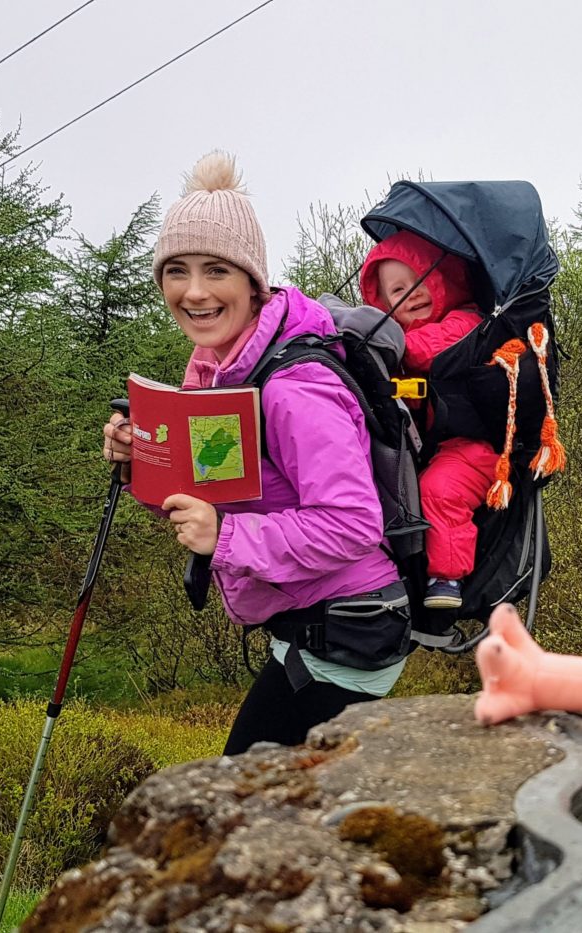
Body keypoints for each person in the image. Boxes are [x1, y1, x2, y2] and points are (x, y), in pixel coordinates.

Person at [102, 151, 407, 754]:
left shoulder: (294, 388)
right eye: (176, 271)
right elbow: (210, 502)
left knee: (246, 809)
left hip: (346, 633)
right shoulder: (218, 372)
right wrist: (140, 461)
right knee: (272, 812)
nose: (193, 292)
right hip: (305, 626)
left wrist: (227, 537)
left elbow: (353, 524)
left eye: (216, 270)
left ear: (253, 282)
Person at [358, 230, 496, 611]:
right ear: (383, 301)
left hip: (476, 448)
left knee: (439, 491)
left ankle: (446, 579)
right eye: (397, 290)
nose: (412, 293)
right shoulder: (400, 336)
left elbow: (426, 350)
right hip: (426, 448)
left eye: (421, 281)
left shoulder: (467, 322)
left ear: (443, 278)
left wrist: (375, 343)